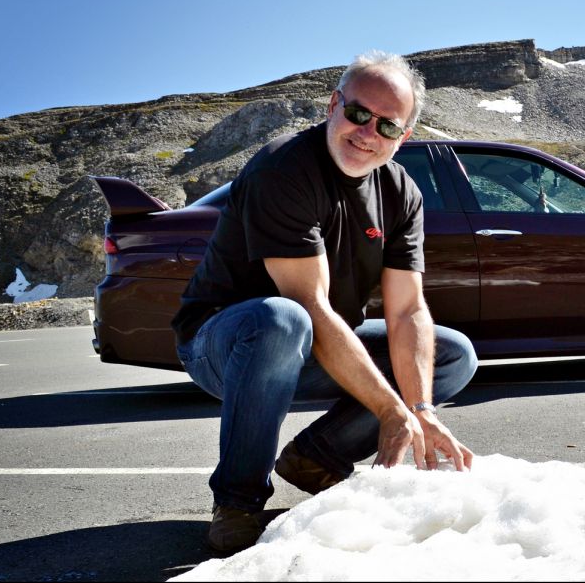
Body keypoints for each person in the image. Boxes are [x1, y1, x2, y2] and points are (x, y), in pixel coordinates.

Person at [171, 51, 478, 553]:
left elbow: (407, 311)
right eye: (358, 113)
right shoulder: (284, 168)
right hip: (224, 343)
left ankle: (314, 458)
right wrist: (387, 409)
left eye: (386, 126)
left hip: (313, 341)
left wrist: (418, 408)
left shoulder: (402, 194)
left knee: (453, 353)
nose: (366, 133)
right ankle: (238, 501)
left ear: (403, 137)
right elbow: (308, 305)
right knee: (281, 318)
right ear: (334, 105)